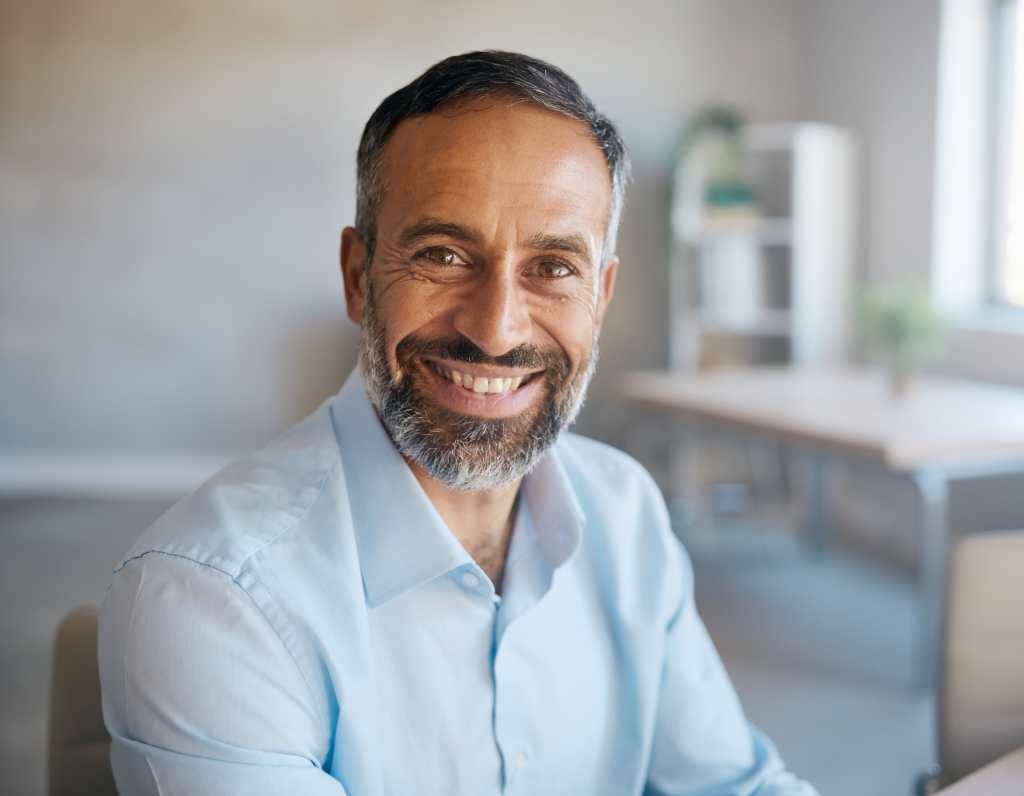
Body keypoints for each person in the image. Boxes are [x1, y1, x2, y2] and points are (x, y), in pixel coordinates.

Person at [98, 51, 817, 796]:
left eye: (554, 266)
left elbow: (734, 786)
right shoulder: (211, 600)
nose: (498, 330)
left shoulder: (626, 511)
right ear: (356, 276)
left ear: (599, 297)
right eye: (444, 255)